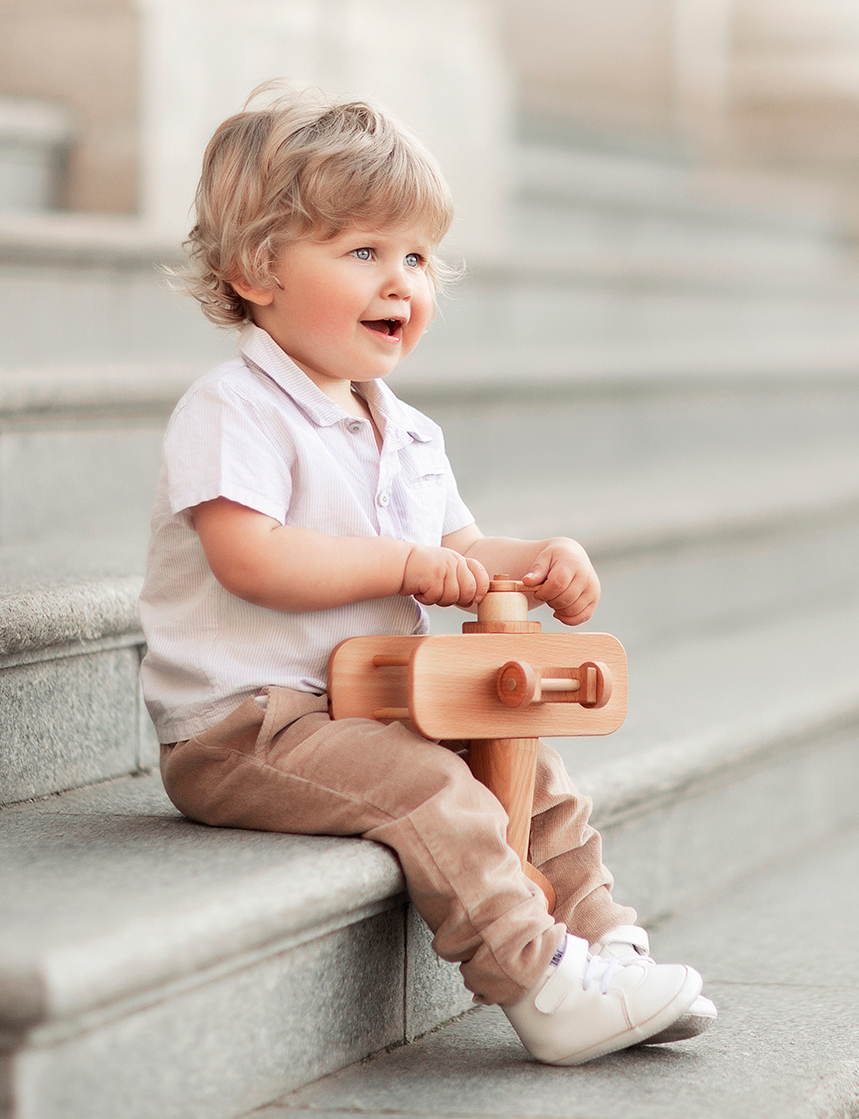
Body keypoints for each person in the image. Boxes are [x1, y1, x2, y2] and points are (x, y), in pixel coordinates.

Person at [139, 87, 714, 1065]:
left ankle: (603, 938)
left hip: (367, 703)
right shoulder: (232, 408)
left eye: (415, 256)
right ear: (255, 269)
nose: (399, 280)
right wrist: (404, 565)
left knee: (533, 773)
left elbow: (460, 545)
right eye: (361, 252)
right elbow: (253, 557)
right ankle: (537, 983)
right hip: (249, 726)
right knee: (432, 790)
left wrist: (531, 563)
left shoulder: (404, 429)